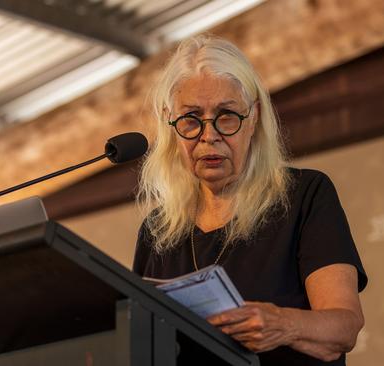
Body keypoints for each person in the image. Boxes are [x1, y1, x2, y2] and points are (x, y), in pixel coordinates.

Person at [132, 35, 367, 365]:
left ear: (253, 116)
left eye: (227, 115)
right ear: (171, 123)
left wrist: (282, 324)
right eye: (191, 119)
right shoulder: (157, 232)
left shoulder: (305, 195)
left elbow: (344, 328)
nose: (209, 134)